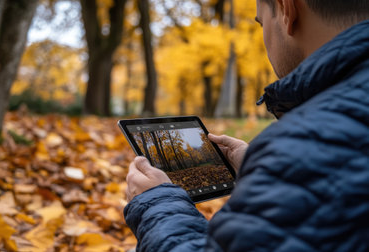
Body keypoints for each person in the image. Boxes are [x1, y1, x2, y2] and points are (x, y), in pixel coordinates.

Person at [124, 0, 369, 251]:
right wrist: (270, 169)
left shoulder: (310, 141)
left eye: (261, 22)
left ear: (287, 10)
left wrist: (157, 206)